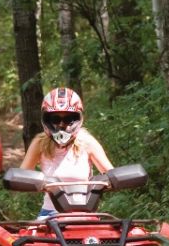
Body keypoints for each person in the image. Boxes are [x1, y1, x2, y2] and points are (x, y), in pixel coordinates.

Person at [20, 87, 113, 219]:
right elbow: (21, 175)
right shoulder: (40, 143)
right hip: (50, 215)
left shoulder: (87, 142)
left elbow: (112, 174)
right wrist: (38, 181)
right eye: (55, 119)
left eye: (68, 119)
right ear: (47, 119)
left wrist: (105, 182)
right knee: (30, 239)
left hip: (85, 216)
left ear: (77, 118)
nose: (62, 124)